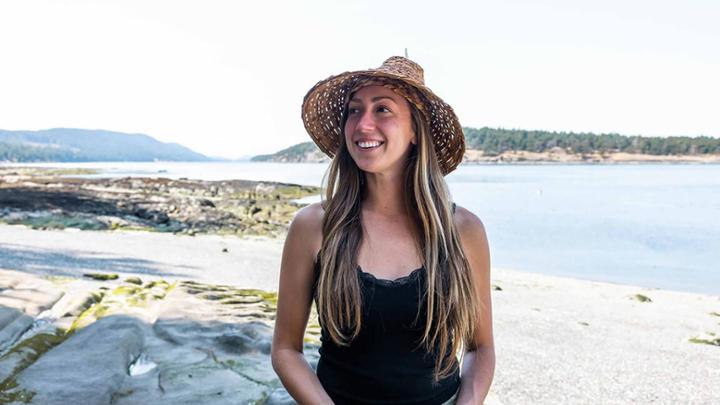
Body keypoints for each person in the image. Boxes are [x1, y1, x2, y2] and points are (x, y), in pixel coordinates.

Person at [271, 56, 495, 404]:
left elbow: (480, 348)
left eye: (383, 110)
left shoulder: (463, 231)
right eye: (354, 110)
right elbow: (286, 349)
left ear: (415, 131)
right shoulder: (314, 227)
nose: (362, 125)